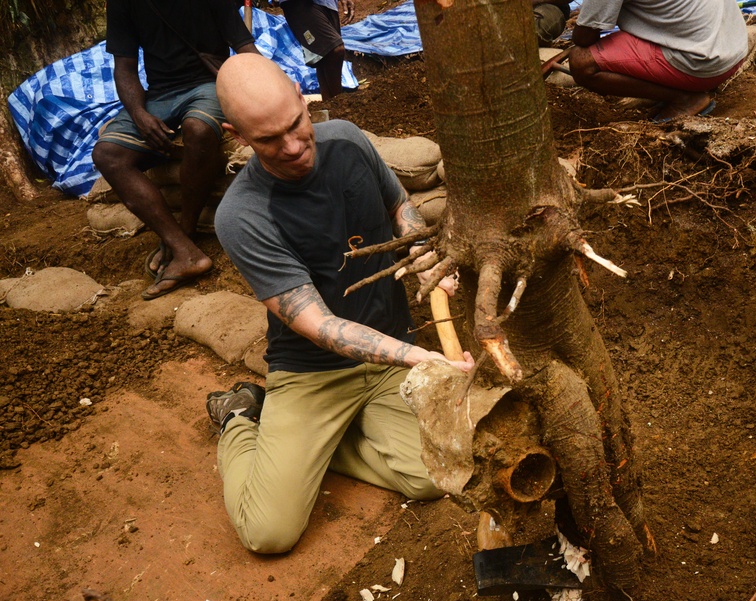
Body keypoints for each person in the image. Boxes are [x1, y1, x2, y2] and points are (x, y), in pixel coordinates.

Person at [205, 53, 475, 554]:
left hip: (391, 356)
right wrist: (423, 359)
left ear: (302, 99)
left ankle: (317, 447)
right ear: (236, 135)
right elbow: (321, 327)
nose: (292, 147)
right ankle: (243, 418)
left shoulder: (348, 141)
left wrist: (420, 253)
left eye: (295, 125)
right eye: (267, 140)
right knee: (268, 533)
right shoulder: (241, 215)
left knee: (435, 477)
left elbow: (400, 206)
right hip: (314, 373)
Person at [92, 0, 259, 300]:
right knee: (107, 155)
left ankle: (186, 232)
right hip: (160, 95)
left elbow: (245, 48)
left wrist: (267, 93)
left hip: (210, 84)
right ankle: (185, 250)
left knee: (198, 129)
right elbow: (125, 68)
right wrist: (140, 115)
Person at [567, 0, 748, 122]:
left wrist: (590, 12)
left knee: (581, 61)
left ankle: (685, 99)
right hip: (734, 47)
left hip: (703, 63)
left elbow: (584, 37)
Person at [275, 0, 355, 100]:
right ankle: (338, 103)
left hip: (328, 4)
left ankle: (329, 108)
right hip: (301, 4)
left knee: (325, 57)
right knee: (336, 50)